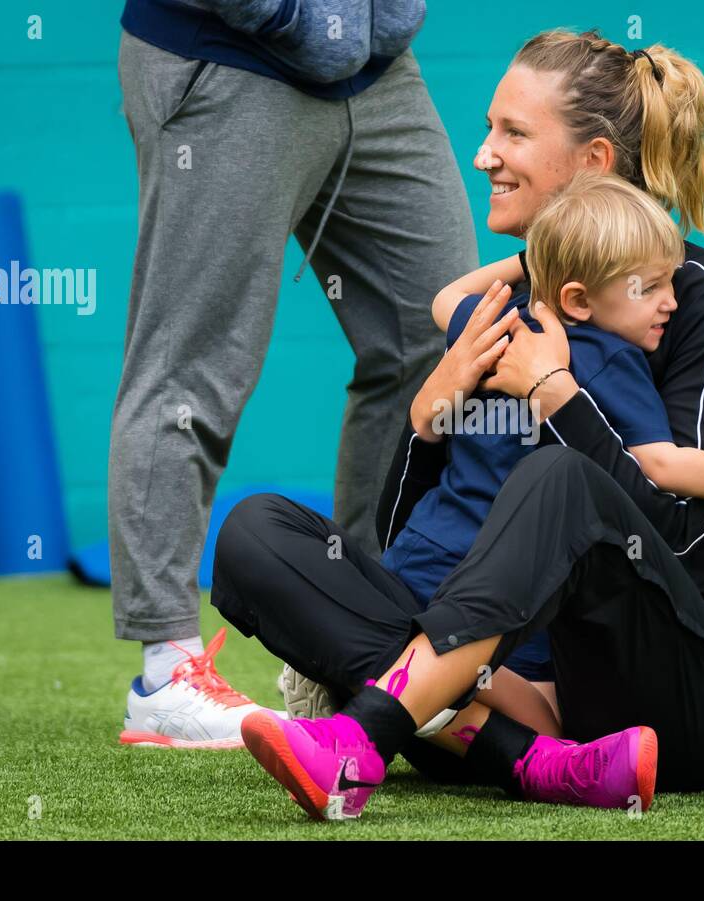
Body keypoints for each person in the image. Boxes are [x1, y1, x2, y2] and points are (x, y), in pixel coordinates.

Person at [213, 29, 704, 818]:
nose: (483, 156)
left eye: (513, 134)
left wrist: (555, 396)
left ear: (596, 163)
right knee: (255, 533)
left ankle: (368, 730)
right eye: (488, 129)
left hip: (682, 698)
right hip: (494, 683)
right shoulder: (500, 310)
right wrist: (431, 406)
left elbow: (678, 535)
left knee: (558, 476)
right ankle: (535, 763)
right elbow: (414, 537)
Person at [109, 0, 477, 748]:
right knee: (191, 367)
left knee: (445, 339)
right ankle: (164, 675)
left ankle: (363, 646)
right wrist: (285, 15)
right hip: (228, 56)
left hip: (376, 74)